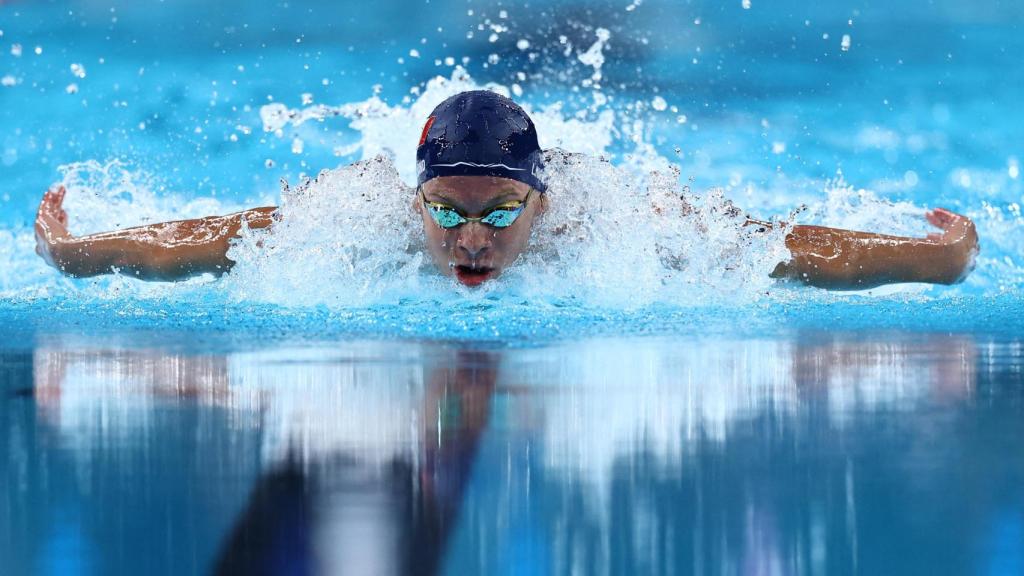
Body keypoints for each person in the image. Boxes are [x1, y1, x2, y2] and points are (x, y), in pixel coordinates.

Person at [33, 90, 979, 290]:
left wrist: (935, 259)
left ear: (543, 201)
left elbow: (783, 246)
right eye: (444, 210)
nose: (468, 238)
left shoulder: (615, 225)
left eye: (497, 214)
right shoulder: (359, 216)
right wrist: (83, 251)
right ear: (416, 202)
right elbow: (202, 241)